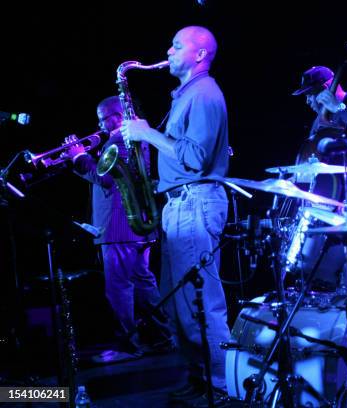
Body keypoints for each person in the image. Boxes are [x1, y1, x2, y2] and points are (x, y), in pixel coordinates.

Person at [121, 26, 231, 407]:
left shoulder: (203, 94)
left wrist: (147, 134)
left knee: (202, 303)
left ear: (200, 55)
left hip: (195, 203)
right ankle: (198, 376)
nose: (167, 50)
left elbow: (195, 159)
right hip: (179, 204)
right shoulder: (186, 95)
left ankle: (221, 384)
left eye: (177, 45)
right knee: (177, 304)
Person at [63, 96, 173, 363]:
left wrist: (79, 157)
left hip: (119, 228)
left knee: (118, 289)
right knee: (143, 285)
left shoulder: (121, 139)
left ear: (117, 115)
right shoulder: (132, 138)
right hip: (134, 227)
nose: (99, 124)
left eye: (102, 118)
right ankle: (163, 338)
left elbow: (106, 180)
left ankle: (129, 345)